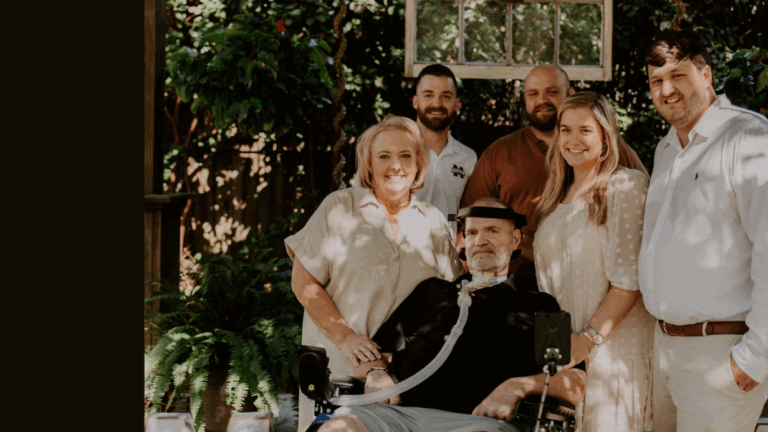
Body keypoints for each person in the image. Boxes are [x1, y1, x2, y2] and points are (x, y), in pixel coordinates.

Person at [316, 198, 587, 432]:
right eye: (472, 232)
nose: (481, 240)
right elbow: (371, 356)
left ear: (515, 239)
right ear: (463, 241)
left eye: (493, 230)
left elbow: (574, 382)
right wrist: (375, 373)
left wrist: (516, 386)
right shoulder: (431, 291)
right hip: (398, 417)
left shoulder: (537, 303)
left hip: (478, 423)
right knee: (338, 428)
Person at [285, 115, 464, 431]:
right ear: (368, 166)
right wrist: (347, 338)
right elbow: (304, 282)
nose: (396, 165)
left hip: (404, 380)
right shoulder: (340, 208)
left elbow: (448, 297)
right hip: (341, 369)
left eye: (405, 156)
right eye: (384, 156)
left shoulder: (435, 222)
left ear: (419, 164)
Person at [637, 29, 768, 432]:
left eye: (678, 75)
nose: (667, 89)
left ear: (706, 74)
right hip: (665, 350)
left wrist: (756, 357)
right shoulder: (666, 148)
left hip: (721, 352)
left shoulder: (747, 137)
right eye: (656, 81)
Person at [461, 65, 648, 291]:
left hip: (602, 296)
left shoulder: (618, 156)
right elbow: (469, 226)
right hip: (515, 293)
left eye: (551, 92)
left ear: (569, 94)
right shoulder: (500, 153)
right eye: (533, 94)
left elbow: (645, 221)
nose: (542, 100)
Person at [531, 92, 655, 431]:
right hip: (567, 353)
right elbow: (547, 292)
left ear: (605, 137)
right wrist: (555, 358)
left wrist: (586, 341)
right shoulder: (554, 200)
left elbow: (629, 280)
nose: (573, 140)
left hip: (612, 351)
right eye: (565, 130)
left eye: (584, 130)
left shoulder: (625, 186)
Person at [411, 64, 477, 237]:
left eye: (445, 96)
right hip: (396, 258)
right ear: (415, 101)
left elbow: (469, 217)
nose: (437, 103)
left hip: (447, 259)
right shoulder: (394, 150)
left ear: (456, 104)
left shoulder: (468, 158)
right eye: (428, 95)